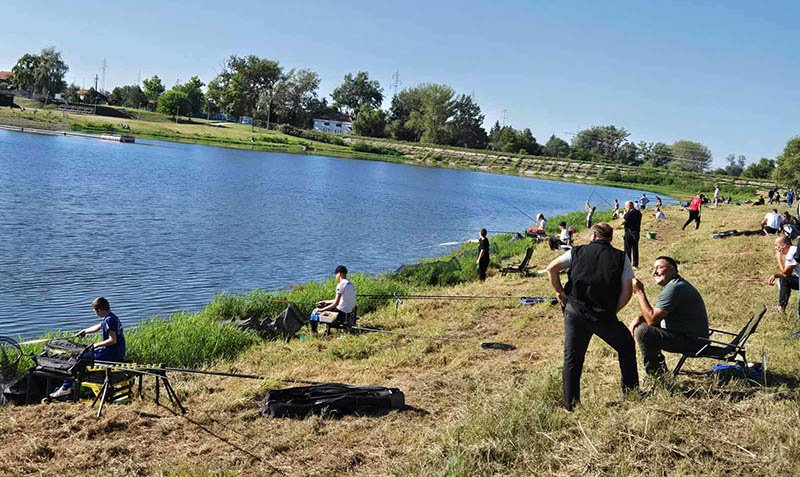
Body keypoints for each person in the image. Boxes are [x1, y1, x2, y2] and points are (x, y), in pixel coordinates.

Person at [545, 223, 638, 411]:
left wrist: (560, 292)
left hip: (574, 312)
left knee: (572, 358)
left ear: (593, 235)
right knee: (626, 345)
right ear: (610, 238)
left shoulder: (577, 251)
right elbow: (627, 291)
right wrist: (613, 311)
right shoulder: (621, 257)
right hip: (603, 316)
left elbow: (551, 268)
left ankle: (570, 405)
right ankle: (631, 391)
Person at [628, 257, 709, 375]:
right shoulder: (675, 285)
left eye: (659, 267)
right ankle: (660, 371)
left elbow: (652, 319)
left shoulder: (674, 287)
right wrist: (639, 318)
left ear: (673, 270)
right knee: (646, 327)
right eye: (653, 269)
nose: (654, 272)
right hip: (692, 338)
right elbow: (658, 313)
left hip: (693, 342)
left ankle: (657, 376)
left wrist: (639, 292)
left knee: (644, 331)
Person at [49, 297, 126, 399]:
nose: (94, 313)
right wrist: (85, 331)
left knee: (79, 359)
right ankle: (67, 386)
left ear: (98, 310)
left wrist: (95, 345)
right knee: (83, 356)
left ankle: (65, 388)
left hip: (111, 354)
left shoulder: (109, 320)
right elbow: (97, 327)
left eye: (94, 310)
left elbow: (113, 340)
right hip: (117, 352)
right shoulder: (112, 317)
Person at [310, 265, 357, 334]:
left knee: (314, 313)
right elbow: (339, 300)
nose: (335, 276)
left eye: (336, 274)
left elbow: (335, 304)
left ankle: (314, 333)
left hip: (341, 314)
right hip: (349, 312)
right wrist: (325, 302)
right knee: (322, 306)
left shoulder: (340, 285)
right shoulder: (350, 284)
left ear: (339, 273)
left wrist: (321, 310)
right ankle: (323, 330)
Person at [768, 236, 799, 319]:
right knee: (784, 279)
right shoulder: (794, 248)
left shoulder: (791, 253)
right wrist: (776, 275)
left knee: (784, 279)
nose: (775, 248)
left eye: (776, 245)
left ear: (783, 245)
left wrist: (778, 258)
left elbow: (786, 273)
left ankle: (781, 308)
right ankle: (781, 307)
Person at [621, 201, 642, 269]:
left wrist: (621, 215)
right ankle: (635, 265)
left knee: (627, 249)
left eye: (626, 206)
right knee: (635, 249)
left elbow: (622, 222)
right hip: (636, 233)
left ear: (629, 206)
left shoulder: (629, 213)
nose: (625, 207)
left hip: (629, 233)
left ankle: (628, 264)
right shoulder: (639, 213)